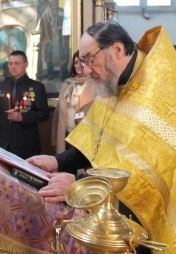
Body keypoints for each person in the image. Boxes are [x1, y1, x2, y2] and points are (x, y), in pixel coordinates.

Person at [27, 21, 176, 252]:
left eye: (89, 59)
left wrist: (79, 185)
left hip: (147, 220)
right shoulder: (111, 84)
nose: (86, 70)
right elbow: (95, 143)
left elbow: (145, 175)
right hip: (113, 219)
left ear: (116, 49)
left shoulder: (158, 89)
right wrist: (58, 161)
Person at [0, 50, 50, 160]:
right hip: (3, 143)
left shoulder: (36, 87)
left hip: (26, 144)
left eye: (17, 63)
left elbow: (44, 114)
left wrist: (23, 117)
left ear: (25, 65)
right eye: (10, 64)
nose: (13, 67)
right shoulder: (1, 86)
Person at [51, 51, 96, 153]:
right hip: (66, 135)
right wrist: (54, 139)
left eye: (81, 62)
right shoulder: (67, 84)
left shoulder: (95, 84)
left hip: (84, 136)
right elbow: (57, 114)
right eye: (75, 62)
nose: (78, 65)